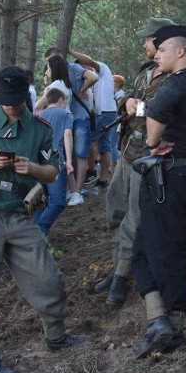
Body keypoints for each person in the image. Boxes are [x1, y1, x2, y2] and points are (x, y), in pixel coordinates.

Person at [0, 65, 90, 373]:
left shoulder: (39, 127)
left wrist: (33, 169)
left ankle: (56, 336)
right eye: (7, 99)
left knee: (48, 277)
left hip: (18, 212)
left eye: (17, 99)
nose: (12, 105)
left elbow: (53, 171)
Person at [131, 25, 186, 358]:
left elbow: (153, 114)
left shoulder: (175, 83)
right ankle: (160, 321)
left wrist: (152, 142)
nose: (158, 54)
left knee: (166, 253)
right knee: (146, 248)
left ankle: (173, 327)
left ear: (180, 52)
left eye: (163, 49)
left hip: (165, 176)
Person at [97, 17, 174, 308]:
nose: (144, 43)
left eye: (148, 38)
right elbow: (133, 99)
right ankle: (118, 266)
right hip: (128, 150)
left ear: (161, 40)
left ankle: (121, 276)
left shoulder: (172, 75)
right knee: (114, 209)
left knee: (134, 218)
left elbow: (159, 108)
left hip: (148, 157)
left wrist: (135, 105)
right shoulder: (147, 72)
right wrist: (127, 100)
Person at [40, 48, 98, 207]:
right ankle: (71, 190)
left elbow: (93, 76)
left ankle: (77, 192)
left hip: (79, 116)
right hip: (69, 118)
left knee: (80, 155)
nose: (49, 66)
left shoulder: (73, 68)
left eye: (51, 62)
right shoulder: (58, 80)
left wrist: (82, 90)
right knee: (66, 156)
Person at [68, 48, 117, 188]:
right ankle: (103, 180)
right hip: (109, 113)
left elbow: (89, 61)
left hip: (106, 114)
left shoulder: (102, 69)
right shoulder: (98, 80)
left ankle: (90, 171)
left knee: (86, 139)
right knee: (104, 146)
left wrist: (70, 51)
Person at [33, 88, 74, 236]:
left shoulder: (38, 115)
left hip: (38, 163)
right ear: (61, 99)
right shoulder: (66, 114)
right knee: (58, 201)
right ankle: (39, 230)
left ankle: (33, 230)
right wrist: (69, 161)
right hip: (56, 161)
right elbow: (67, 134)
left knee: (40, 201)